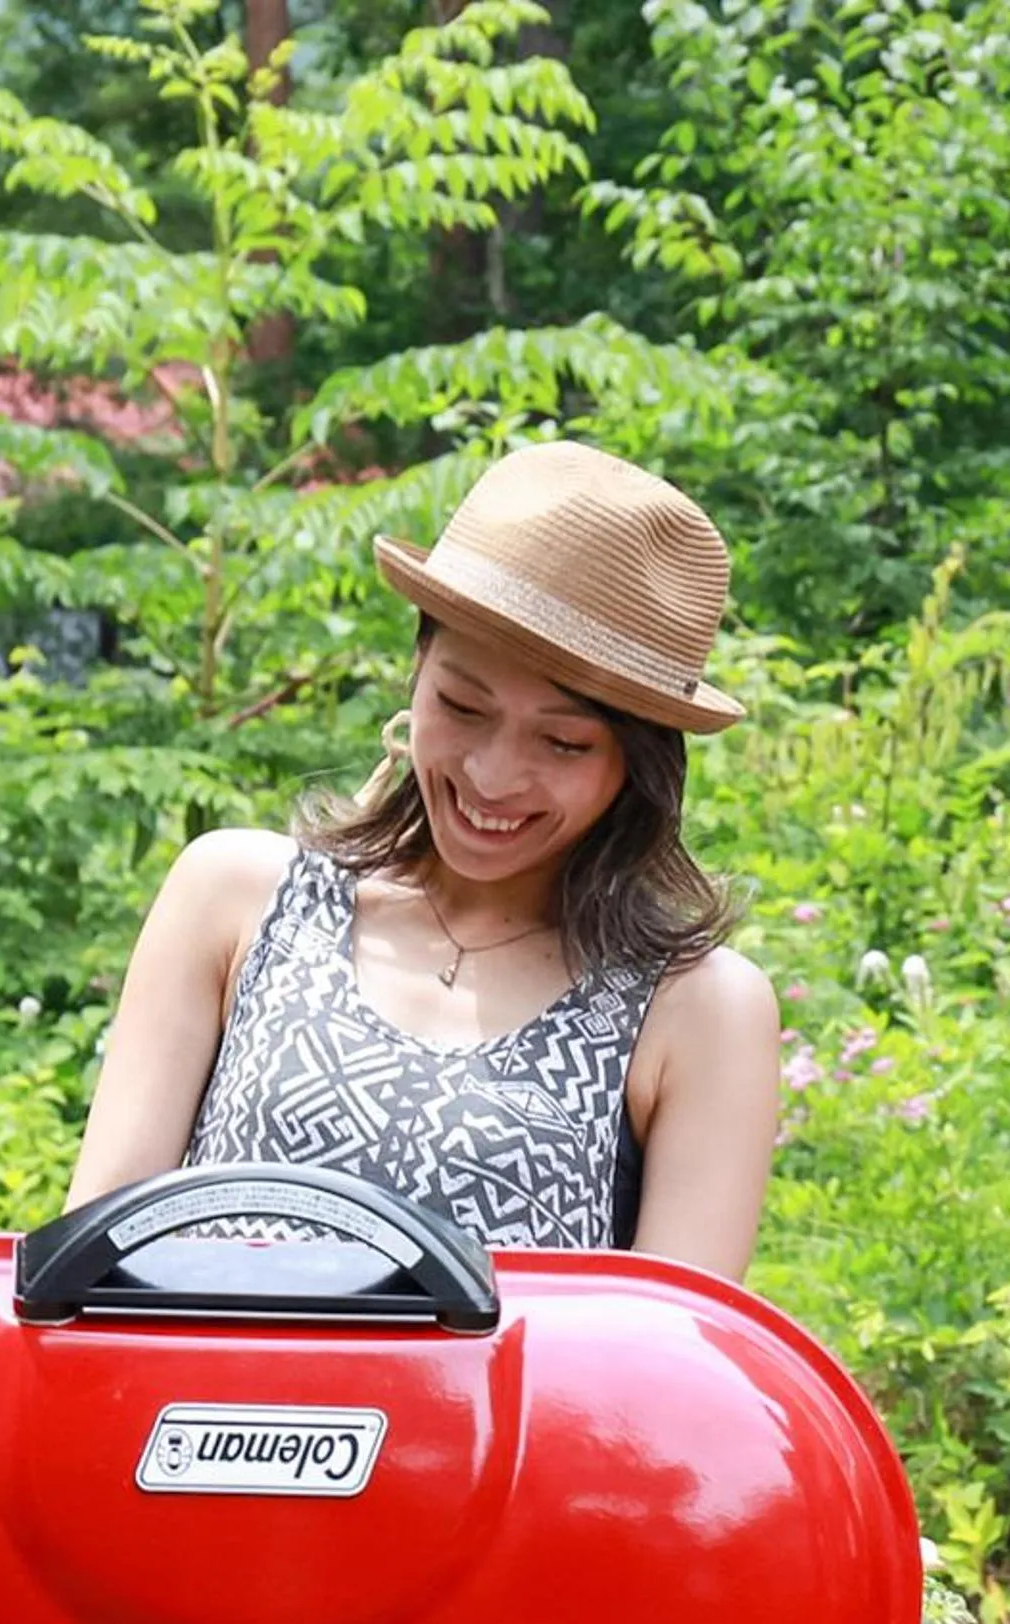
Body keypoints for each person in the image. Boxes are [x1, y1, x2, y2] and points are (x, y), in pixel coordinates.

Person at [65, 442, 782, 1281]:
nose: (492, 777)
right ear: (415, 671)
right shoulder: (233, 900)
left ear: (640, 764)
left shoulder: (696, 1009)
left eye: (563, 743)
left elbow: (670, 1346)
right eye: (462, 707)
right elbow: (85, 1267)